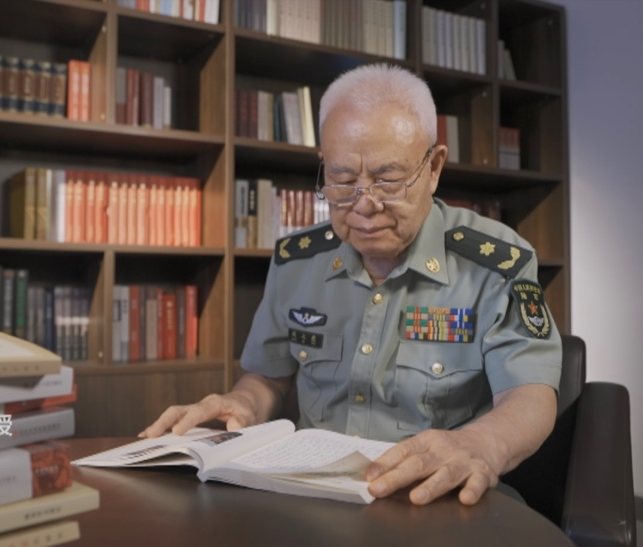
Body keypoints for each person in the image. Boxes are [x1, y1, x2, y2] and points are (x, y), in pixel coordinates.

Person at [140, 63, 562, 506]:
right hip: (312, 495)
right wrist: (244, 402)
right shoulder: (297, 262)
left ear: (434, 167)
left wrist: (478, 445)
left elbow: (530, 395)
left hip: (434, 496)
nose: (365, 205)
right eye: (342, 181)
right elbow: (268, 377)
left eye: (388, 180)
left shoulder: (495, 264)